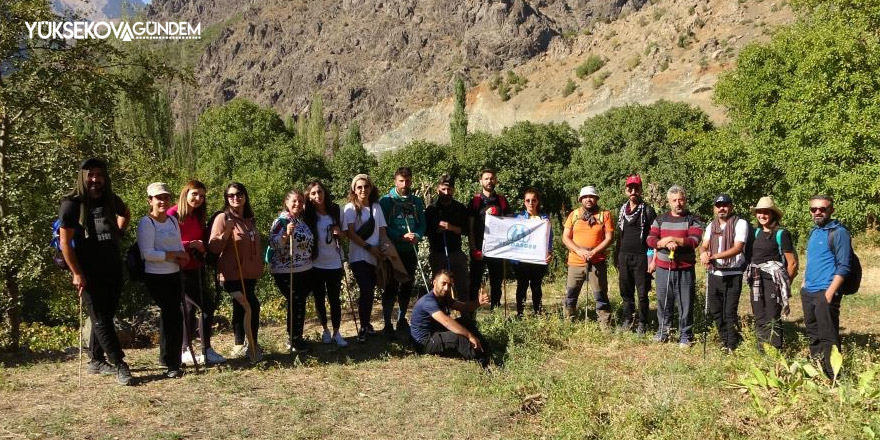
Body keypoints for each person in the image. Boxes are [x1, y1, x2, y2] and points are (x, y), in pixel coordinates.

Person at [58, 158, 133, 385]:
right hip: (88, 271)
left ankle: (96, 360)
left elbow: (125, 212)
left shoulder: (111, 198)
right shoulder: (71, 204)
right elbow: (65, 244)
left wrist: (118, 233)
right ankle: (120, 364)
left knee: (106, 316)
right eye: (90, 174)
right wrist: (76, 273)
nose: (95, 179)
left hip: (112, 266)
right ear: (82, 176)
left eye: (99, 175)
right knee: (100, 319)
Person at [168, 180, 226, 366]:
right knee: (207, 306)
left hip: (196, 266)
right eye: (195, 194)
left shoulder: (197, 216)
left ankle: (186, 349)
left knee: (190, 309)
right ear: (185, 193)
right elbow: (165, 242)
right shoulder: (172, 215)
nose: (198, 199)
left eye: (202, 196)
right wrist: (190, 245)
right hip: (179, 269)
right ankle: (204, 349)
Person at [137, 182, 189, 378]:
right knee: (171, 315)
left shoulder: (172, 221)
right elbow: (147, 254)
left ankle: (169, 359)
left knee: (174, 315)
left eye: (166, 197)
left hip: (174, 273)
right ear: (150, 200)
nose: (163, 201)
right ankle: (172, 363)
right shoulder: (146, 223)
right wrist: (173, 255)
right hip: (155, 275)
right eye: (158, 198)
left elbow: (178, 244)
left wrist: (182, 256)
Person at [209, 182, 263, 360]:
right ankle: (252, 346)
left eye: (239, 194)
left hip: (248, 274)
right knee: (252, 306)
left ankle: (239, 344)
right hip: (230, 275)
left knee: (240, 309)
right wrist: (226, 233)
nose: (235, 198)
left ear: (245, 196)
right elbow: (214, 247)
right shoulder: (222, 218)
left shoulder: (249, 220)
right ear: (226, 198)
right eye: (231, 195)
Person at [646, 185, 703, 347]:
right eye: (674, 200)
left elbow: (694, 241)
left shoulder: (693, 219)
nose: (678, 203)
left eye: (681, 200)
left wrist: (672, 239)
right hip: (663, 268)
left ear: (685, 200)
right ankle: (663, 332)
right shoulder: (660, 219)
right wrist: (661, 242)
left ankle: (685, 335)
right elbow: (650, 239)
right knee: (663, 301)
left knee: (685, 302)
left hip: (685, 268)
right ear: (669, 202)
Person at [802, 195, 852, 378]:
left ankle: (834, 378)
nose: (817, 212)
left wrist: (830, 293)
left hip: (826, 291)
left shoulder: (839, 232)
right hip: (809, 291)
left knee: (828, 336)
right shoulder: (814, 232)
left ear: (831, 210)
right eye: (813, 209)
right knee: (813, 334)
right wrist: (804, 284)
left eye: (822, 209)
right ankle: (818, 372)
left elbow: (844, 266)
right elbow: (812, 260)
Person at [746, 196, 798, 352]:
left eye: (766, 212)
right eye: (759, 212)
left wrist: (785, 284)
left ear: (773, 214)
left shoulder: (782, 234)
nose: (762, 215)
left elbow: (792, 263)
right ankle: (762, 350)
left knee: (772, 316)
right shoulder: (755, 233)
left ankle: (775, 352)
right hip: (756, 279)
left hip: (773, 281)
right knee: (759, 315)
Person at [379, 166, 426, 335]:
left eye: (407, 180)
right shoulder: (386, 201)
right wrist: (400, 236)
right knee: (390, 286)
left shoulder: (416, 201)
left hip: (410, 250)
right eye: (401, 180)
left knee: (407, 285)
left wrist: (418, 235)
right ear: (395, 181)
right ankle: (386, 323)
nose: (405, 184)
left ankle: (401, 319)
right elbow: (383, 225)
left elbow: (422, 223)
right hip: (392, 250)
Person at [699, 194, 749, 352]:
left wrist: (714, 256)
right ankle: (724, 339)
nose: (722, 208)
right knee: (716, 310)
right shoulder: (711, 225)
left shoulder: (740, 223)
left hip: (733, 273)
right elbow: (704, 244)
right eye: (718, 205)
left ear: (731, 207)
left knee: (729, 311)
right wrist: (703, 253)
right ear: (714, 208)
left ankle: (732, 343)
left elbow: (738, 248)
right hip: (715, 273)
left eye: (725, 205)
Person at [409, 270, 491, 367]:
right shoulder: (428, 301)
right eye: (443, 283)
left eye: (449, 285)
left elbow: (463, 307)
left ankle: (486, 350)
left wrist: (478, 302)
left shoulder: (443, 297)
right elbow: (446, 322)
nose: (446, 288)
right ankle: (483, 363)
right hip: (424, 342)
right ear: (434, 282)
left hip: (436, 332)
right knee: (458, 338)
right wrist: (469, 336)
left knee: (465, 322)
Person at [342, 174, 389, 342]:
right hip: (359, 256)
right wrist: (370, 248)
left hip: (377, 256)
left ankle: (368, 324)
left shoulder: (377, 207)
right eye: (359, 187)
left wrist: (384, 250)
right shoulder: (349, 208)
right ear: (354, 190)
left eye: (366, 186)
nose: (363, 190)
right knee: (367, 289)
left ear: (371, 188)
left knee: (372, 290)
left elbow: (382, 232)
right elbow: (351, 234)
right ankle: (363, 326)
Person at [268, 188, 314, 353]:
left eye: (300, 201)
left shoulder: (300, 221)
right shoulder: (281, 221)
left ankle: (297, 337)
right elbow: (272, 243)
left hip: (303, 268)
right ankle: (294, 339)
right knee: (296, 302)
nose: (297, 204)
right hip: (286, 270)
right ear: (286, 203)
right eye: (294, 201)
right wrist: (285, 235)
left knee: (299, 303)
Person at [561, 186, 614, 328]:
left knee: (600, 294)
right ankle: (568, 323)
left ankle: (605, 326)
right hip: (575, 261)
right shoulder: (574, 215)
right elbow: (566, 238)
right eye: (585, 197)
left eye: (591, 196)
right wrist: (579, 251)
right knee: (571, 294)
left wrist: (594, 251)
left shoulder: (605, 215)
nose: (588, 199)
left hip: (597, 261)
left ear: (596, 198)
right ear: (580, 199)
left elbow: (609, 238)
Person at [304, 180, 348, 347]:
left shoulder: (336, 210)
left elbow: (345, 233)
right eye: (313, 193)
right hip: (315, 263)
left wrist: (339, 232)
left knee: (335, 299)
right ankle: (325, 331)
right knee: (319, 299)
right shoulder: (307, 214)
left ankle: (337, 332)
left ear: (324, 192)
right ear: (309, 196)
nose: (317, 196)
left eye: (319, 192)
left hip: (334, 261)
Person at [615, 175, 657, 334]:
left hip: (641, 257)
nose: (633, 191)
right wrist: (616, 256)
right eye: (630, 188)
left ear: (640, 190)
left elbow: (654, 237)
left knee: (642, 294)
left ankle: (643, 323)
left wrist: (652, 260)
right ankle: (627, 319)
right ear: (626, 190)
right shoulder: (622, 210)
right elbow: (620, 235)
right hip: (624, 256)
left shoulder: (647, 210)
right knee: (626, 291)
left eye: (636, 188)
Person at [468, 168, 512, 309]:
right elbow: (470, 227)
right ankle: (471, 313)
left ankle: (496, 311)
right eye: (486, 178)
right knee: (474, 282)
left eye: (492, 178)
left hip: (497, 249)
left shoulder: (502, 201)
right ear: (481, 181)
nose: (489, 181)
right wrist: (474, 248)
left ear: (496, 180)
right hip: (479, 249)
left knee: (496, 282)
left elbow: (510, 223)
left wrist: (499, 215)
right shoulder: (475, 201)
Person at [424, 174, 469, 303]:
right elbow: (425, 231)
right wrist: (436, 230)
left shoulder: (460, 208)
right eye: (443, 189)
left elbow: (465, 230)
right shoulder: (431, 209)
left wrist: (451, 227)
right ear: (438, 189)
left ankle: (466, 318)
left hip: (456, 253)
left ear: (453, 190)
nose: (446, 192)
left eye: (449, 190)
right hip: (438, 254)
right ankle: (441, 316)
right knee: (439, 289)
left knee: (462, 286)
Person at [512, 187, 552, 317]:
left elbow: (549, 238)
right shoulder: (518, 217)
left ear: (537, 201)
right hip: (521, 260)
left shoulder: (544, 218)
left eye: (533, 200)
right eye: (528, 200)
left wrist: (549, 252)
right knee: (522, 286)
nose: (531, 203)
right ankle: (520, 313)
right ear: (524, 202)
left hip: (538, 259)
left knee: (536, 286)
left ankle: (538, 311)